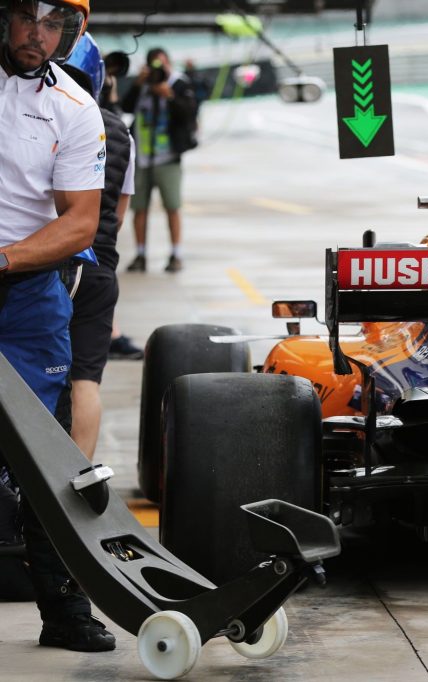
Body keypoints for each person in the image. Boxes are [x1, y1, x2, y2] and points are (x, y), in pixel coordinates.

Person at [0, 0, 115, 650]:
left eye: (54, 25)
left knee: (50, 455)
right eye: (26, 17)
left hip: (27, 292)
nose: (37, 35)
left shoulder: (74, 109)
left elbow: (78, 221)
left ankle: (64, 612)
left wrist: (5, 257)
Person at [61, 32, 135, 459]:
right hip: (99, 265)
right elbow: (119, 215)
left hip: (42, 264)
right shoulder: (122, 131)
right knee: (85, 380)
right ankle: (74, 485)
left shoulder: (42, 111)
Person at [121, 47, 197, 273]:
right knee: (139, 209)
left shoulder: (178, 84)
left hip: (169, 157)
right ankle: (140, 254)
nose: (158, 70)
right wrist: (138, 84)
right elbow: (125, 107)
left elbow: (189, 113)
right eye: (154, 65)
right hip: (143, 158)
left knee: (172, 206)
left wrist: (169, 95)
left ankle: (176, 253)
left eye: (162, 65)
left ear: (169, 65)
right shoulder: (142, 85)